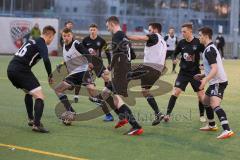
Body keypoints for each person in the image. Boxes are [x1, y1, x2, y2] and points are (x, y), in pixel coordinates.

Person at [7, 25, 56, 133]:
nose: (52, 40)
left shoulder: (32, 40)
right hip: (21, 71)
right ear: (49, 35)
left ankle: (31, 119)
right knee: (40, 96)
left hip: (11, 69)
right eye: (53, 38)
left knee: (29, 92)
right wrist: (50, 75)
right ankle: (36, 125)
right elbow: (46, 59)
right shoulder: (41, 42)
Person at [104, 16, 143, 135]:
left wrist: (109, 67)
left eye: (107, 27)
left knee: (117, 99)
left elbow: (116, 54)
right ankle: (122, 117)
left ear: (111, 24)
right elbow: (134, 55)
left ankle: (135, 126)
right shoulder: (124, 36)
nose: (107, 29)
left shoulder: (116, 36)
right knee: (105, 93)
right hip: (125, 69)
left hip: (120, 71)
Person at [195, 26, 234, 139]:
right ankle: (212, 125)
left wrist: (204, 80)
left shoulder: (209, 50)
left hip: (218, 82)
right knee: (205, 101)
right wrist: (203, 75)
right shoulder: (210, 48)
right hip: (214, 81)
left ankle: (227, 129)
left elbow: (215, 69)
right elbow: (212, 68)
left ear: (206, 36)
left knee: (214, 104)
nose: (199, 38)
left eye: (200, 35)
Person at [163, 23, 206, 123]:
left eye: (184, 31)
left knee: (201, 96)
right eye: (182, 31)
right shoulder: (181, 43)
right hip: (183, 73)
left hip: (196, 74)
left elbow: (206, 53)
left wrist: (204, 64)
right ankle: (167, 115)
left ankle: (202, 115)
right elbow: (175, 53)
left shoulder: (198, 42)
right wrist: (174, 58)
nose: (182, 33)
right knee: (175, 92)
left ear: (190, 31)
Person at [54, 28, 97, 125]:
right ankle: (70, 111)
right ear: (62, 36)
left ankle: (114, 107)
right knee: (58, 89)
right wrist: (61, 65)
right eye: (64, 36)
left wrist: (90, 62)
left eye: (68, 35)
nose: (66, 37)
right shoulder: (64, 45)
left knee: (93, 94)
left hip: (83, 72)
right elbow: (68, 59)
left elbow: (86, 52)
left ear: (71, 36)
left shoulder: (76, 44)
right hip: (73, 75)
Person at [127, 22, 167, 126]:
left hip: (149, 68)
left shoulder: (154, 36)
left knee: (126, 75)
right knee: (145, 91)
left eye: (149, 30)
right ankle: (158, 113)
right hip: (157, 71)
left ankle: (113, 93)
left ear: (155, 30)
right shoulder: (163, 41)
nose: (148, 32)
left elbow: (140, 38)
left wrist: (126, 37)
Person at [73, 24, 114, 121]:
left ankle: (107, 93)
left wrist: (109, 64)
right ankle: (78, 95)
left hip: (98, 64)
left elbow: (107, 52)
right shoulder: (85, 40)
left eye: (94, 30)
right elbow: (80, 52)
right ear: (89, 30)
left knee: (106, 77)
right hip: (88, 65)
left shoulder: (101, 41)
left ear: (97, 30)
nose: (92, 31)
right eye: (91, 30)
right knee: (88, 86)